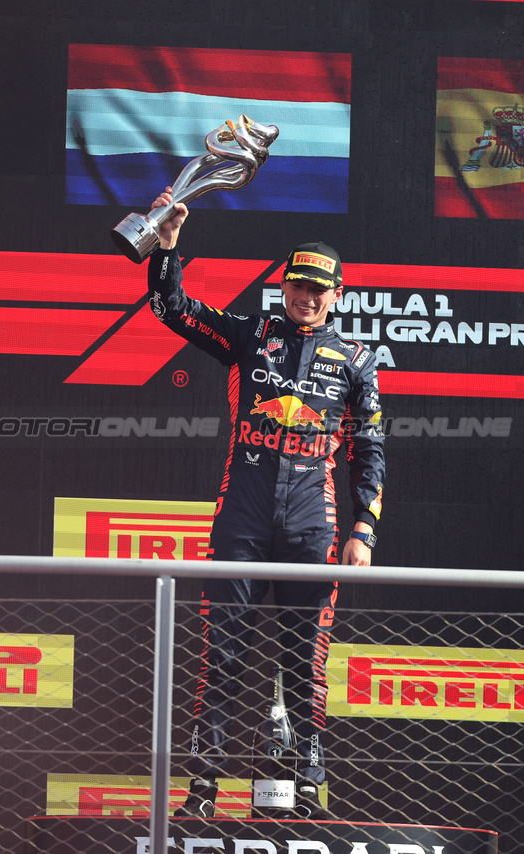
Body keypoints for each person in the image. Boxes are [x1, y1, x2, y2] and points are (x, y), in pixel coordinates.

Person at [145, 188, 385, 820]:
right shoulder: (250, 334)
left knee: (306, 656)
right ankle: (203, 785)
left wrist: (364, 526)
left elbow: (372, 449)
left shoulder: (357, 361)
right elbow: (170, 307)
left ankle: (308, 778)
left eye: (317, 290)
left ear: (338, 294)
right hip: (242, 518)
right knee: (220, 652)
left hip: (314, 522)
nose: (304, 298)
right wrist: (167, 246)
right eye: (295, 287)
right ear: (282, 287)